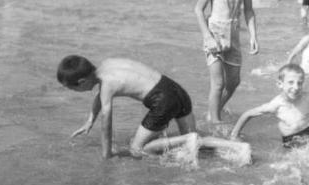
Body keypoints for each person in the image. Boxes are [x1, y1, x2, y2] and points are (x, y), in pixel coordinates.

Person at [56, 55, 249, 161]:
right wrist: (90, 119)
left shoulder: (106, 85)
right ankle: (238, 147)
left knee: (137, 150)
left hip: (162, 100)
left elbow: (107, 123)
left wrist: (106, 155)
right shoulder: (107, 64)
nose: (75, 92)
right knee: (198, 148)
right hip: (176, 91)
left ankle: (188, 138)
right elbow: (100, 95)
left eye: (71, 89)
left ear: (81, 82)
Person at [195, 0, 258, 123]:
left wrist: (254, 35)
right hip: (214, 33)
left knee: (234, 82)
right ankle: (215, 122)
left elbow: (248, 10)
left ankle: (213, 111)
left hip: (234, 33)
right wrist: (207, 37)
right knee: (218, 83)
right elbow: (198, 9)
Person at [229, 63, 309, 149]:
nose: (296, 87)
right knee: (302, 159)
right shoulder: (276, 104)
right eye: (291, 82)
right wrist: (234, 134)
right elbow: (248, 114)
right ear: (280, 84)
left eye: (300, 83)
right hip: (292, 138)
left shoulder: (308, 98)